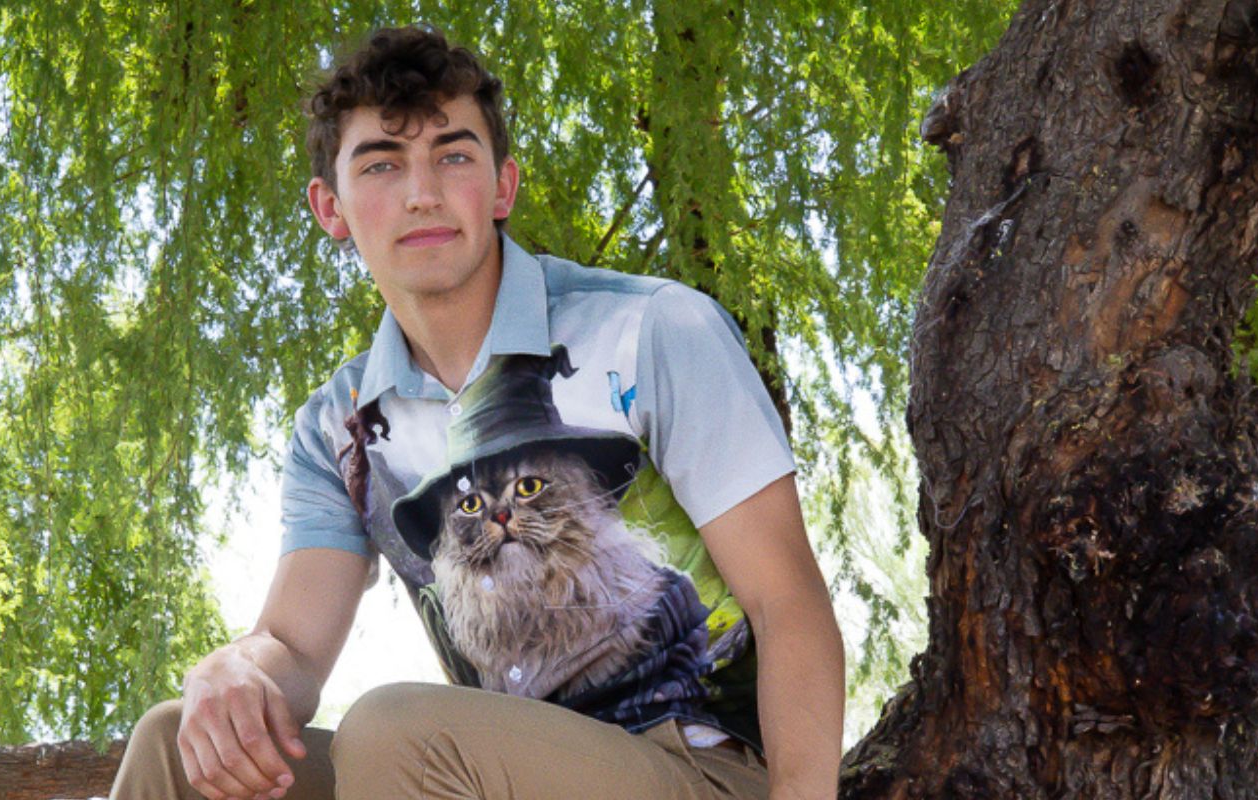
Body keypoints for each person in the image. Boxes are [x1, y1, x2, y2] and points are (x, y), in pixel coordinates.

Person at [110, 25, 843, 800]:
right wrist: (235, 666)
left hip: (694, 763)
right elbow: (290, 652)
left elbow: (786, 599)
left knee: (395, 734)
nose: (422, 192)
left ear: (501, 186)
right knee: (174, 744)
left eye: (453, 156)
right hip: (501, 769)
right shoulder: (342, 427)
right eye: (382, 165)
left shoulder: (652, 330)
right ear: (331, 207)